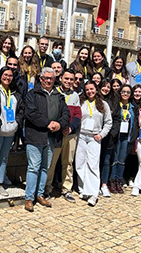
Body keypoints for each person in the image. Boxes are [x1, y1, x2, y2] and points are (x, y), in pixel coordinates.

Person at [24, 68, 70, 212]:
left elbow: (66, 113)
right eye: (46, 78)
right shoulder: (32, 94)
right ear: (41, 78)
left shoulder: (59, 96)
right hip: (35, 136)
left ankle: (40, 194)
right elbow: (30, 113)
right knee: (33, 167)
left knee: (45, 167)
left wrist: (59, 124)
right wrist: (47, 123)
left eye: (51, 78)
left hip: (51, 137)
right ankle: (29, 197)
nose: (48, 80)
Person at [0, 67, 24, 202]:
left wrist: (17, 123)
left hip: (10, 131)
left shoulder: (15, 93)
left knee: (3, 159)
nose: (8, 77)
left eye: (10, 75)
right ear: (0, 75)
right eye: (5, 75)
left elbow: (20, 110)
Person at [45, 69, 82, 203]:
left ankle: (66, 188)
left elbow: (78, 115)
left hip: (70, 134)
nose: (68, 82)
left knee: (68, 162)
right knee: (51, 162)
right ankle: (47, 188)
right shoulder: (54, 92)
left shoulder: (75, 95)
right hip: (56, 134)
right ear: (60, 78)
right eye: (66, 79)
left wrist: (71, 127)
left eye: (71, 79)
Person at [75, 81, 112, 206]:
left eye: (92, 89)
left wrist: (101, 134)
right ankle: (83, 189)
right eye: (87, 90)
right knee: (80, 163)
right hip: (81, 136)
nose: (89, 91)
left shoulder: (103, 104)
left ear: (96, 89)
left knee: (93, 164)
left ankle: (93, 193)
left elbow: (108, 122)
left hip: (94, 137)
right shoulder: (81, 103)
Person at [109, 84, 138, 194]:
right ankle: (112, 180)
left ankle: (118, 181)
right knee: (114, 160)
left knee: (122, 161)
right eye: (123, 92)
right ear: (120, 93)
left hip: (127, 136)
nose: (125, 94)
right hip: (117, 136)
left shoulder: (133, 107)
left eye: (128, 92)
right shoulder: (116, 105)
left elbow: (135, 123)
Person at [98, 79, 121, 197]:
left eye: (108, 87)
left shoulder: (114, 101)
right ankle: (95, 184)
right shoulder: (95, 99)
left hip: (109, 136)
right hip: (95, 135)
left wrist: (113, 133)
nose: (106, 89)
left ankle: (104, 184)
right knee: (95, 160)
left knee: (106, 161)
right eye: (104, 86)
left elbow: (117, 118)